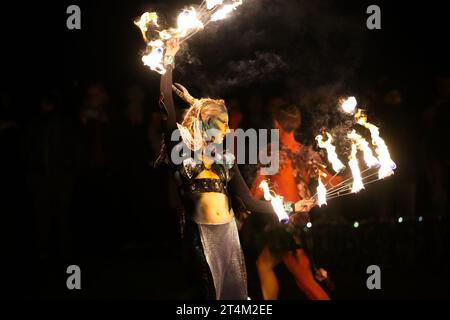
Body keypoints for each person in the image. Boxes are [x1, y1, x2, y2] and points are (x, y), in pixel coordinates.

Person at [156, 39, 314, 300]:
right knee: (207, 295)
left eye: (226, 122)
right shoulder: (180, 151)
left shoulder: (225, 160)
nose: (225, 129)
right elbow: (166, 107)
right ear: (201, 124)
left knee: (237, 297)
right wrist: (168, 61)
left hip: (229, 234)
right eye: (218, 122)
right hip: (201, 236)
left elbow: (250, 201)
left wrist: (291, 207)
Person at [248, 104, 341, 300]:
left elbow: (256, 191)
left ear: (276, 124)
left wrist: (242, 208)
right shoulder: (307, 153)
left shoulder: (271, 153)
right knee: (265, 265)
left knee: (306, 281)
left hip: (286, 226)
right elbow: (332, 182)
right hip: (298, 222)